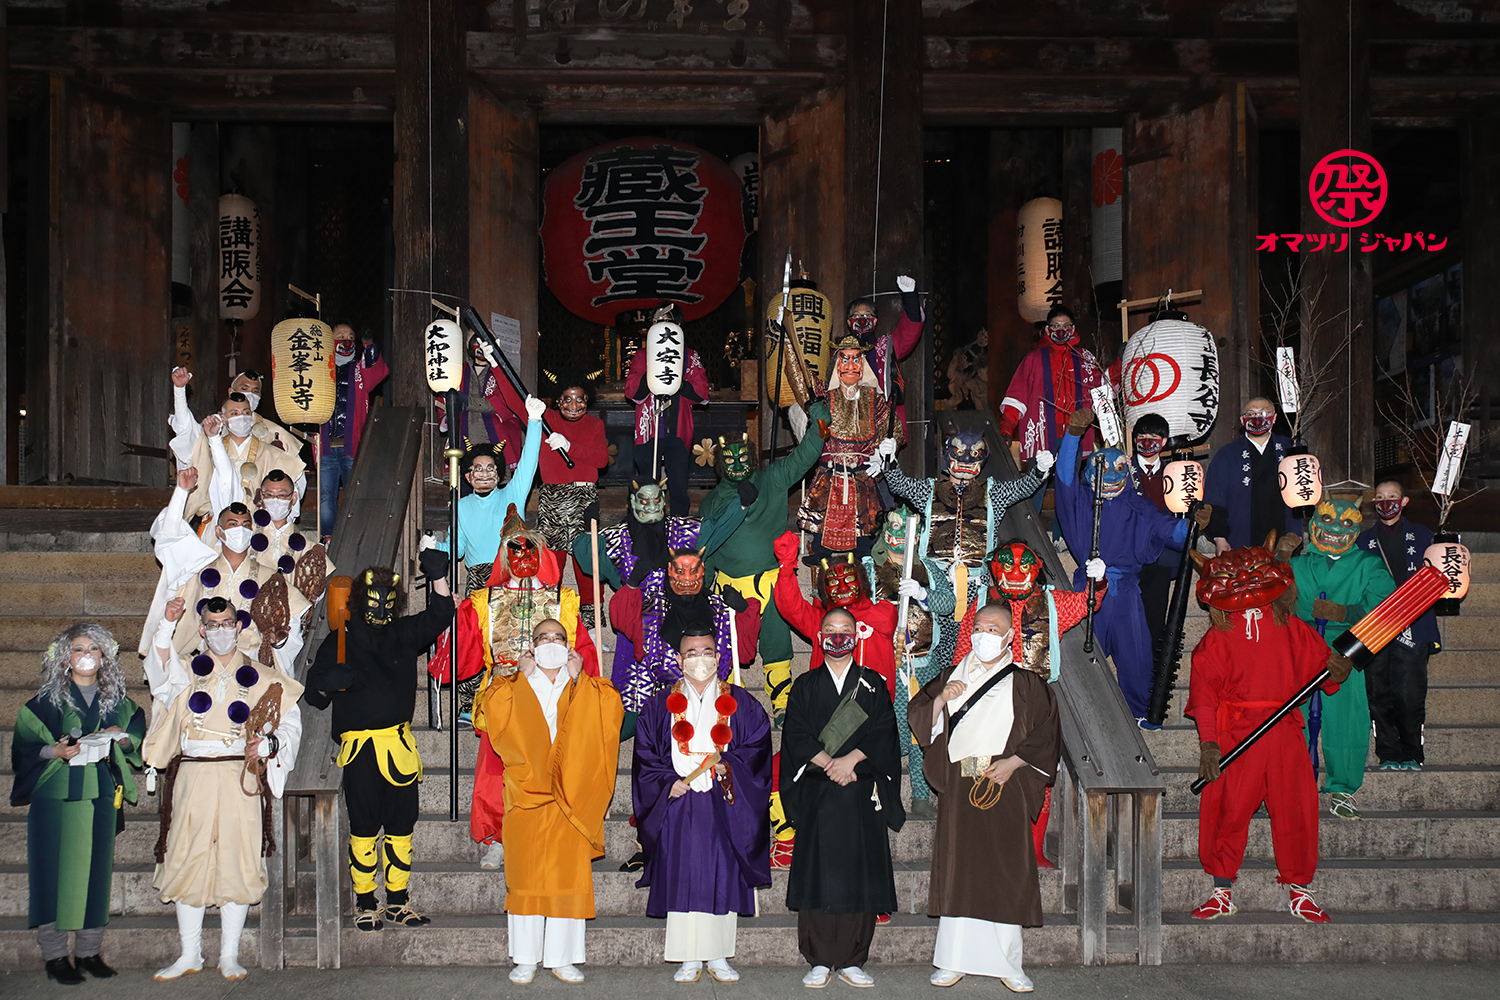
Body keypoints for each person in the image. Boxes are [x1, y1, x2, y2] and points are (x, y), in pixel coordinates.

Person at [1187, 534, 1351, 923]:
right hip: (1235, 734)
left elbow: (1325, 674)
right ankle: (1222, 889)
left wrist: (1337, 668)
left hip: (1284, 731)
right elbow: (1205, 694)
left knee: (1296, 808)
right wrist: (1209, 744)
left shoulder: (1292, 627)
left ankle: (1299, 888)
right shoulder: (1216, 638)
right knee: (1227, 809)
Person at [143, 595, 303, 980]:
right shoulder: (187, 672)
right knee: (185, 856)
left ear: (239, 626)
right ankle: (190, 954)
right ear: (201, 630)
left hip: (239, 776)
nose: (220, 631)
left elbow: (291, 720)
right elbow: (159, 670)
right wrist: (166, 624)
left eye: (227, 623)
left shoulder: (263, 675)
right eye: (212, 625)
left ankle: (229, 954)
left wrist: (270, 744)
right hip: (193, 775)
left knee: (239, 856)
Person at [433, 509, 600, 870]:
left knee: (555, 769)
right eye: (515, 550)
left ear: (541, 554)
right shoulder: (484, 601)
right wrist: (442, 591)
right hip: (504, 694)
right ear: (505, 557)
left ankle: (559, 834)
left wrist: (583, 681)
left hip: (552, 695)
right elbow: (463, 651)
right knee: (498, 771)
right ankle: (500, 839)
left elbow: (584, 651)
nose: (523, 557)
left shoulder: (563, 600)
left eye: (529, 550)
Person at [911, 602, 1061, 990]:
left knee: (1004, 870)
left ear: (1011, 636)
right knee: (959, 867)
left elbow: (1047, 734)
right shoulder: (950, 675)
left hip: (1004, 782)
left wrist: (1014, 762)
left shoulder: (1028, 684)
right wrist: (942, 698)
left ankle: (1009, 964)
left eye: (994, 629)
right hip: (962, 783)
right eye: (979, 627)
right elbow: (918, 713)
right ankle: (952, 960)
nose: (984, 635)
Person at [304, 551, 453, 931]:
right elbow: (313, 696)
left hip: (399, 747)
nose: (382, 607)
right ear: (357, 599)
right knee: (364, 827)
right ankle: (365, 901)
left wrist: (437, 577)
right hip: (360, 752)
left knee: (402, 825)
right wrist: (326, 683)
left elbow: (439, 616)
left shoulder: (402, 634)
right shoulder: (340, 639)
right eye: (373, 599)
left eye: (389, 600)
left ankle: (399, 901)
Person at [482, 617, 622, 983]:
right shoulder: (511, 684)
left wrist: (580, 678)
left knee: (567, 878)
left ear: (568, 644)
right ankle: (525, 957)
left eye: (558, 637)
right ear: (532, 644)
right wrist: (520, 677)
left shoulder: (585, 685)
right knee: (525, 876)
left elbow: (611, 715)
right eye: (543, 637)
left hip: (569, 794)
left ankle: (562, 957)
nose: (551, 642)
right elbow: (490, 716)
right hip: (526, 792)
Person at [633, 624, 772, 984]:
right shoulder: (658, 704)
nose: (700, 659)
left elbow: (757, 750)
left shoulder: (741, 703)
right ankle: (688, 958)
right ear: (679, 660)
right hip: (679, 803)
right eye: (692, 653)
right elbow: (646, 756)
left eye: (707, 652)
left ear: (718, 657)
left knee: (721, 874)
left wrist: (728, 769)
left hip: (724, 802)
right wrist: (666, 784)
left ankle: (718, 956)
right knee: (683, 875)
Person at [1054, 408, 1210, 724]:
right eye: (1103, 469)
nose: (1111, 475)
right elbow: (1064, 475)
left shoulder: (1137, 504)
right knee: (1078, 657)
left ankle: (1141, 711)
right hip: (1088, 588)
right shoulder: (1081, 502)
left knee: (1137, 656)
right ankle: (1073, 716)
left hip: (1125, 590)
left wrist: (1194, 525)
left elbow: (1169, 529)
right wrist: (1072, 434)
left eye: (1119, 469)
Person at [11, 624, 146, 984]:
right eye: (77, 648)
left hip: (98, 796)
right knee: (50, 874)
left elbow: (136, 733)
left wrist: (125, 740)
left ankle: (88, 951)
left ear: (105, 657)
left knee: (95, 874)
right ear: (64, 658)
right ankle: (55, 956)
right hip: (54, 797)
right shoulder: (44, 704)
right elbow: (24, 747)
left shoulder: (118, 703)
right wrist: (53, 750)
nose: (85, 654)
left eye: (93, 648)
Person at [781, 607, 904, 988]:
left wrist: (850, 760)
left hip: (860, 790)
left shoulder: (872, 682)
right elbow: (796, 735)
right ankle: (817, 959)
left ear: (857, 635)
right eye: (830, 630)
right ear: (819, 637)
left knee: (859, 875)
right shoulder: (804, 685)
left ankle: (853, 958)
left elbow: (885, 730)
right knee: (818, 874)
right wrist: (828, 762)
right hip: (819, 792)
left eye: (845, 630)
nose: (838, 636)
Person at [699, 405, 829, 721]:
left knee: (776, 639)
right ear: (718, 463)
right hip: (729, 587)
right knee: (727, 647)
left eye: (743, 456)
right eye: (728, 458)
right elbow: (707, 549)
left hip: (771, 581)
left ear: (753, 456)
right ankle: (726, 706)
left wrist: (818, 424)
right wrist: (702, 593)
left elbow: (803, 459)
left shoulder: (772, 478)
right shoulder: (712, 501)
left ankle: (782, 700)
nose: (737, 462)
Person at [138, 469, 309, 675]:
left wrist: (280, 641)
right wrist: (182, 492)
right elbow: (169, 537)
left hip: (253, 666)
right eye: (233, 524)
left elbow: (292, 624)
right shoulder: (199, 571)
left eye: (246, 525)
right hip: (205, 664)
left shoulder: (270, 579)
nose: (240, 530)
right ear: (219, 531)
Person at [1289, 495, 1395, 820]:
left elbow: (1386, 612)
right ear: (1313, 524)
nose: (1334, 528)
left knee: (1346, 721)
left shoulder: (1369, 565)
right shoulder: (1297, 564)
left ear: (1357, 529)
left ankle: (1342, 788)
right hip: (1300, 649)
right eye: (1327, 520)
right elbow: (1276, 605)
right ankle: (1292, 785)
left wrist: (1344, 612)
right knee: (1293, 720)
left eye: (1346, 523)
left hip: (1346, 651)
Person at [879, 423, 1053, 612]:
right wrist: (890, 460)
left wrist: (1040, 470)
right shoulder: (929, 490)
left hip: (976, 581)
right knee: (936, 635)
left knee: (971, 633)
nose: (966, 460)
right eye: (959, 453)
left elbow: (1023, 488)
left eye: (974, 456)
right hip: (933, 579)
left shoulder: (992, 492)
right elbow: (900, 485)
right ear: (949, 456)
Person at [862, 508, 955, 818]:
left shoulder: (929, 568)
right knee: (880, 730)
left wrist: (922, 593)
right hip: (883, 665)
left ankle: (920, 794)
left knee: (922, 728)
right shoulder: (869, 568)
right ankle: (878, 793)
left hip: (924, 663)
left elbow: (949, 603)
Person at [790, 335, 904, 560]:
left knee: (865, 535)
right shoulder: (823, 397)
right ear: (836, 364)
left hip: (863, 475)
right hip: (830, 474)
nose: (851, 366)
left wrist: (886, 450)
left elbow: (894, 430)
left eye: (856, 359)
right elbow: (798, 379)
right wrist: (786, 343)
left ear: (863, 366)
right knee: (822, 535)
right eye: (845, 359)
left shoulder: (875, 400)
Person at [1358, 480, 1440, 771]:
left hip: (1412, 624)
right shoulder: (1363, 540)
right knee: (1378, 692)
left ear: (1403, 502)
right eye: (1379, 497)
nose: (1386, 502)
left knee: (1409, 693)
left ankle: (1412, 752)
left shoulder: (1421, 535)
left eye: (1392, 496)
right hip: (1376, 625)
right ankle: (1388, 752)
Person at [523, 371, 611, 632]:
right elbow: (515, 400)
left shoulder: (595, 425)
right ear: (558, 401)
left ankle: (591, 628)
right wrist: (494, 362)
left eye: (580, 400)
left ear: (587, 401)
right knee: (552, 561)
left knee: (587, 561)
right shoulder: (546, 418)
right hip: (553, 498)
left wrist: (569, 445)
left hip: (585, 497)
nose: (574, 406)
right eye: (567, 400)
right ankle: (549, 623)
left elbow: (601, 459)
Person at [435, 394, 547, 588]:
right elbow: (456, 549)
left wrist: (535, 420)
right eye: (478, 469)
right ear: (468, 476)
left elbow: (528, 462)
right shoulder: (461, 505)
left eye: (490, 468)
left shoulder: (513, 494)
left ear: (499, 473)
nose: (485, 474)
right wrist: (433, 546)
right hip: (478, 580)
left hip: (512, 575)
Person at [773, 531, 898, 701]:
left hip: (872, 705)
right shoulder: (819, 621)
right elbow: (790, 606)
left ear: (861, 582)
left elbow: (886, 620)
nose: (843, 588)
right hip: (828, 706)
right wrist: (786, 566)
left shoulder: (881, 614)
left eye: (848, 580)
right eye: (833, 582)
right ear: (825, 591)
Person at [625, 307, 711, 516]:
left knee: (679, 485)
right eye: (656, 321)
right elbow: (631, 391)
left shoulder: (690, 357)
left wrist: (678, 383)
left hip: (678, 430)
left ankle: (679, 527)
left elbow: (702, 392)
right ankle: (645, 526)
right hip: (649, 429)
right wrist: (653, 373)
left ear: (678, 326)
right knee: (646, 483)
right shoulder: (642, 355)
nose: (661, 324)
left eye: (667, 320)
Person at [998, 305, 1107, 462]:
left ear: (1073, 329)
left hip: (1076, 433)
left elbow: (1103, 389)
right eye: (1056, 325)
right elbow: (1017, 397)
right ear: (1048, 330)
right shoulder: (1033, 359)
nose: (1061, 330)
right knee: (1037, 484)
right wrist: (1006, 429)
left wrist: (1119, 364)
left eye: (1066, 326)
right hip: (1040, 433)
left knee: (1069, 484)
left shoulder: (1085, 358)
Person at [181, 392, 306, 524]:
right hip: (216, 519)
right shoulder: (211, 450)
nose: (241, 418)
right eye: (234, 414)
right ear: (223, 419)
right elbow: (199, 486)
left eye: (246, 413)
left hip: (257, 522)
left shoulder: (271, 453)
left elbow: (294, 486)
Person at [1204, 397, 1297, 555]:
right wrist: (1220, 538)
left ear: (1274, 418)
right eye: (1251, 414)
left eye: (1263, 413)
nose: (1257, 418)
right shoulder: (1227, 454)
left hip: (1285, 540)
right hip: (1240, 540)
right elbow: (1215, 497)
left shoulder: (1292, 450)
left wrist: (1296, 533)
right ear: (1242, 420)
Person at [319, 324, 388, 533]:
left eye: (350, 336)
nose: (346, 339)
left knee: (354, 494)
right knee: (325, 496)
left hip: (351, 446)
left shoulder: (359, 369)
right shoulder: (320, 370)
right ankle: (328, 537)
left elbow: (376, 373)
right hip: (326, 447)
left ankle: (352, 535)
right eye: (340, 335)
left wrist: (368, 345)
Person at [844, 276, 927, 432]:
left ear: (875, 321)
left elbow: (908, 331)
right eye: (856, 315)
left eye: (868, 315)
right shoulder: (838, 350)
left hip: (881, 418)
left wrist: (909, 296)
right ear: (849, 322)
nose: (862, 319)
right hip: (847, 420)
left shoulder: (885, 345)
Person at [435, 334, 527, 475]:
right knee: (464, 484)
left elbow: (500, 402)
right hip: (465, 437)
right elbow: (446, 400)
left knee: (497, 479)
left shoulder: (502, 372)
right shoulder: (458, 371)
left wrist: (464, 401)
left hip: (495, 439)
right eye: (476, 343)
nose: (480, 347)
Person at [1128, 412, 1177, 660]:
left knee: (1156, 620)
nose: (1147, 442)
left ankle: (1154, 674)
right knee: (1129, 621)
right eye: (1141, 437)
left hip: (1162, 557)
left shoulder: (1175, 474)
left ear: (1164, 441)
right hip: (1128, 555)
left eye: (1153, 437)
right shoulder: (1122, 469)